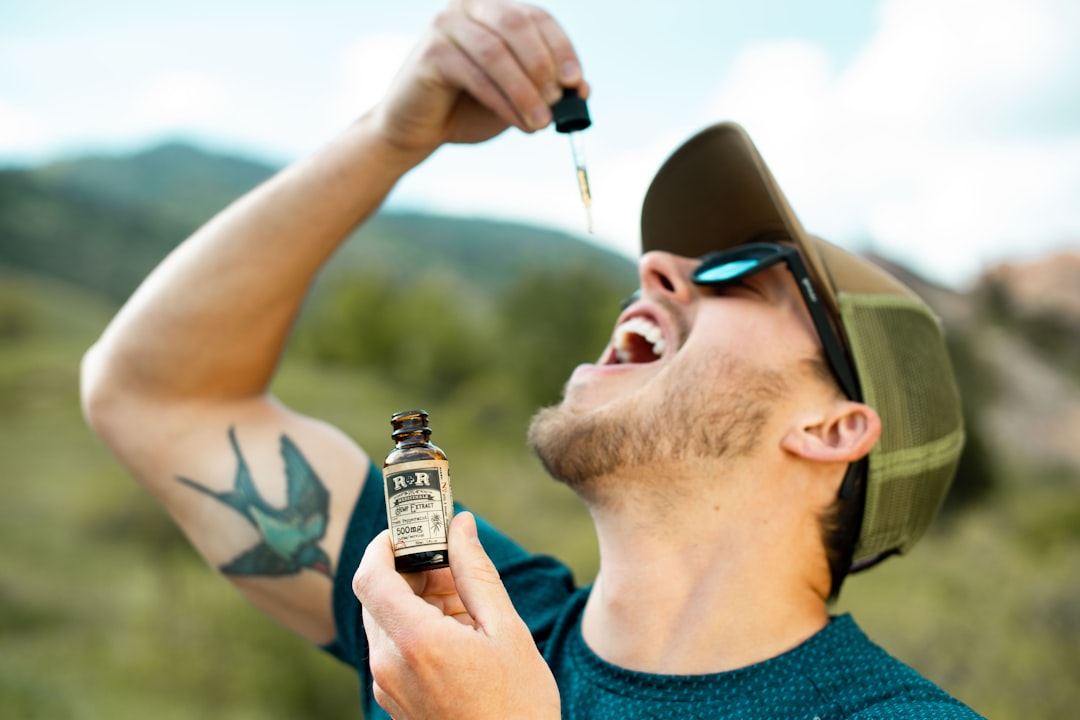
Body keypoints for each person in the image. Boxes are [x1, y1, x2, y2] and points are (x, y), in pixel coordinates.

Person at [80, 1, 981, 717]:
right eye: (674, 261)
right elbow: (156, 395)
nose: (657, 266)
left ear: (832, 428)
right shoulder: (464, 620)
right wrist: (393, 136)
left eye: (745, 273)